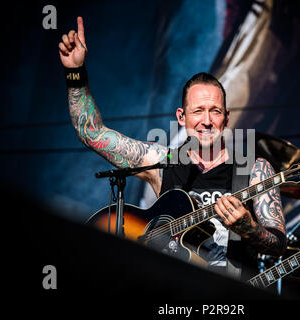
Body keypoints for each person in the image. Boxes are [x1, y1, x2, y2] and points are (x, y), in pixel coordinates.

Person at [58, 17, 286, 280]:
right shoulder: (161, 162)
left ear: (227, 117)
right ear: (182, 117)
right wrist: (75, 73)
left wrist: (250, 229)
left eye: (215, 112)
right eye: (198, 111)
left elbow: (278, 245)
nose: (207, 121)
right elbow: (92, 133)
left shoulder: (255, 168)